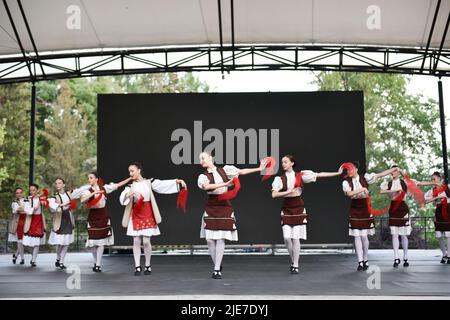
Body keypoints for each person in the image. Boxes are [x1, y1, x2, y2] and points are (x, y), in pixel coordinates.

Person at [197, 151, 267, 279]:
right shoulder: (203, 176)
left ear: (211, 158)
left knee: (220, 238)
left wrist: (259, 168)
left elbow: (241, 172)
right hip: (211, 205)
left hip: (224, 205)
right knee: (209, 240)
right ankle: (217, 264)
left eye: (203, 158)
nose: (201, 160)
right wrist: (225, 184)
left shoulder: (225, 170)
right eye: (200, 159)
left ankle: (217, 269)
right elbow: (207, 187)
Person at [272, 155, 342, 274]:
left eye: (285, 162)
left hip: (298, 207)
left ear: (292, 163)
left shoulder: (301, 175)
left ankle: (296, 264)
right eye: (282, 162)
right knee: (286, 237)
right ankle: (293, 260)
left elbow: (319, 174)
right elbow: (274, 195)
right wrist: (288, 191)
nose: (283, 164)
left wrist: (337, 173)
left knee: (295, 238)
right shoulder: (279, 179)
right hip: (287, 208)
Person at [119, 162, 187, 276]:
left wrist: (177, 181)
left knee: (146, 241)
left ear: (139, 170)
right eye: (129, 172)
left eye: (132, 171)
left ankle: (147, 265)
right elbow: (123, 198)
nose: (130, 173)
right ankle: (137, 266)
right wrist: (128, 194)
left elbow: (162, 184)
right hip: (136, 213)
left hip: (147, 212)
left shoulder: (149, 182)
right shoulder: (130, 186)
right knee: (136, 240)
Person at [342, 161, 398, 271]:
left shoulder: (365, 178)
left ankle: (365, 258)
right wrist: (362, 189)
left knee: (364, 236)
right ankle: (360, 261)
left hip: (365, 208)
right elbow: (349, 194)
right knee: (357, 235)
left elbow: (380, 174)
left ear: (356, 169)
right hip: (355, 208)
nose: (349, 171)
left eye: (351, 169)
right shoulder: (346, 182)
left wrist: (394, 169)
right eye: (348, 170)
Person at [80, 172, 131, 272]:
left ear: (96, 179)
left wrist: (129, 179)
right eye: (88, 178)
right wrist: (94, 193)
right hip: (93, 216)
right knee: (92, 244)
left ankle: (98, 264)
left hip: (102, 215)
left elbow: (118, 185)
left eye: (91, 178)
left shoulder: (104, 188)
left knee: (101, 242)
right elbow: (82, 200)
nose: (89, 180)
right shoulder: (87, 191)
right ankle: (96, 262)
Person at [424, 171, 450, 264]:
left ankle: (449, 255)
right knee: (439, 235)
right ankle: (444, 254)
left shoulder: (447, 187)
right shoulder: (432, 191)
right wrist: (436, 198)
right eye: (432, 179)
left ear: (440, 178)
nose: (433, 181)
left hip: (448, 210)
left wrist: (443, 196)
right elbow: (425, 201)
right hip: (439, 211)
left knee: (447, 234)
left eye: (434, 179)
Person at [22, 183, 47, 267]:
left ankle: (33, 260)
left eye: (33, 190)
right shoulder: (27, 199)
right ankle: (33, 255)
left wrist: (43, 202)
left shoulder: (41, 199)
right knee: (25, 243)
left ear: (37, 190)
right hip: (30, 220)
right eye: (31, 190)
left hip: (39, 220)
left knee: (37, 242)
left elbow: (47, 205)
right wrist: (34, 208)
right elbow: (26, 210)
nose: (32, 191)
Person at [8, 187, 30, 265]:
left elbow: (28, 210)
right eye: (17, 193)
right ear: (15, 194)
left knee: (24, 241)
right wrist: (24, 209)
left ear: (23, 192)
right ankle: (22, 258)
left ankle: (16, 255)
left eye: (20, 192)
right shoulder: (14, 202)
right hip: (19, 222)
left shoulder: (27, 200)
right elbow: (16, 210)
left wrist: (23, 209)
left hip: (27, 222)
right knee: (20, 240)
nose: (19, 194)